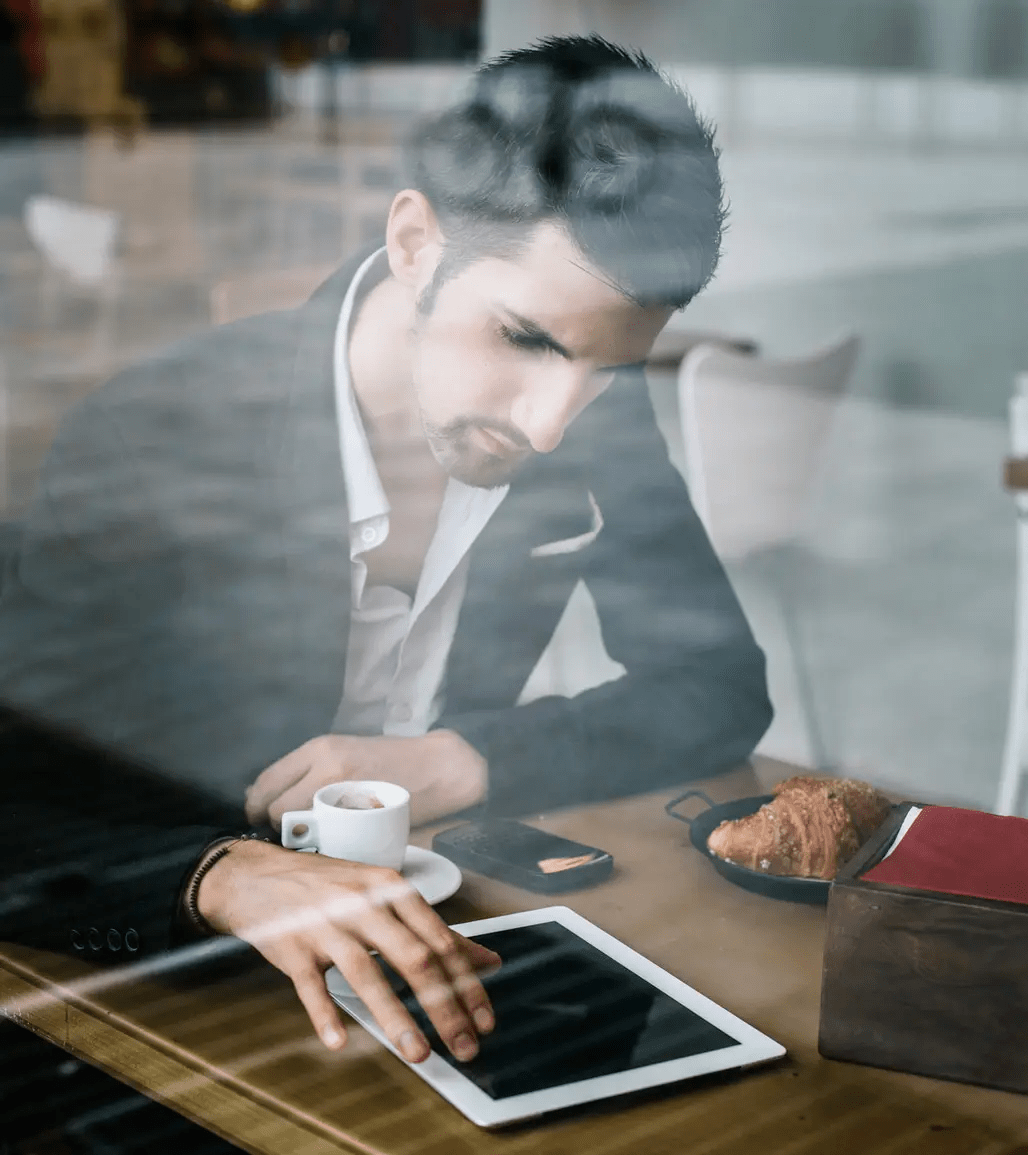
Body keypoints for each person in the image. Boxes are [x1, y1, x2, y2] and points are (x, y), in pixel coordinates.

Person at [0, 36, 771, 1058]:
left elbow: (717, 686)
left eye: (609, 372)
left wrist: (462, 758)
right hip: (183, 998)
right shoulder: (159, 434)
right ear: (414, 242)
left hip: (449, 952)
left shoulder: (587, 415)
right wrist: (213, 875)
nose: (550, 426)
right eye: (524, 339)